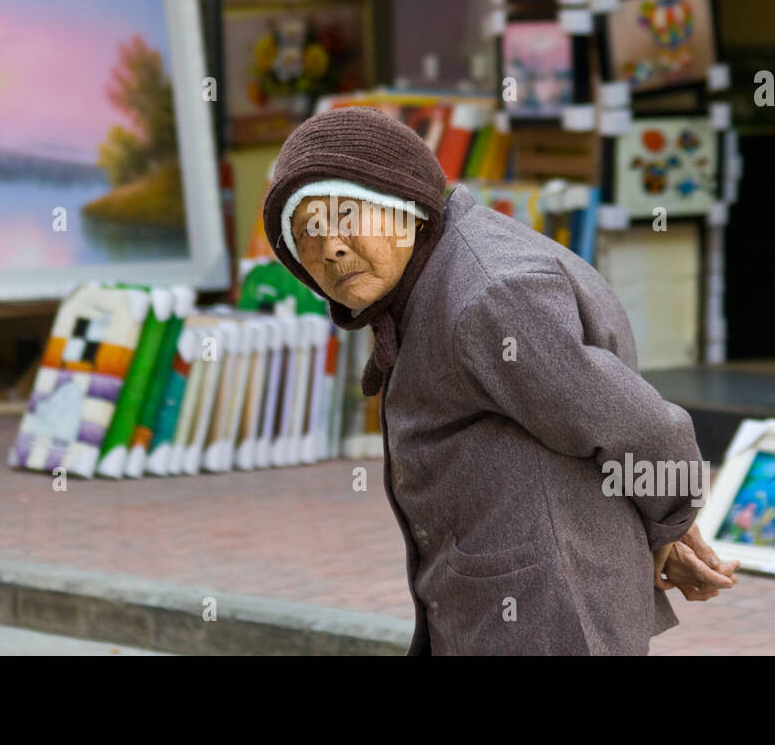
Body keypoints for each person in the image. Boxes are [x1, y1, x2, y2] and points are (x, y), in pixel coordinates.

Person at [262, 106, 739, 655]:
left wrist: (673, 521)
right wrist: (666, 527)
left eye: (347, 216)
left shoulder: (489, 297)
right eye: (306, 235)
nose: (331, 247)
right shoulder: (429, 279)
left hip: (547, 620)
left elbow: (635, 424)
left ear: (406, 205)